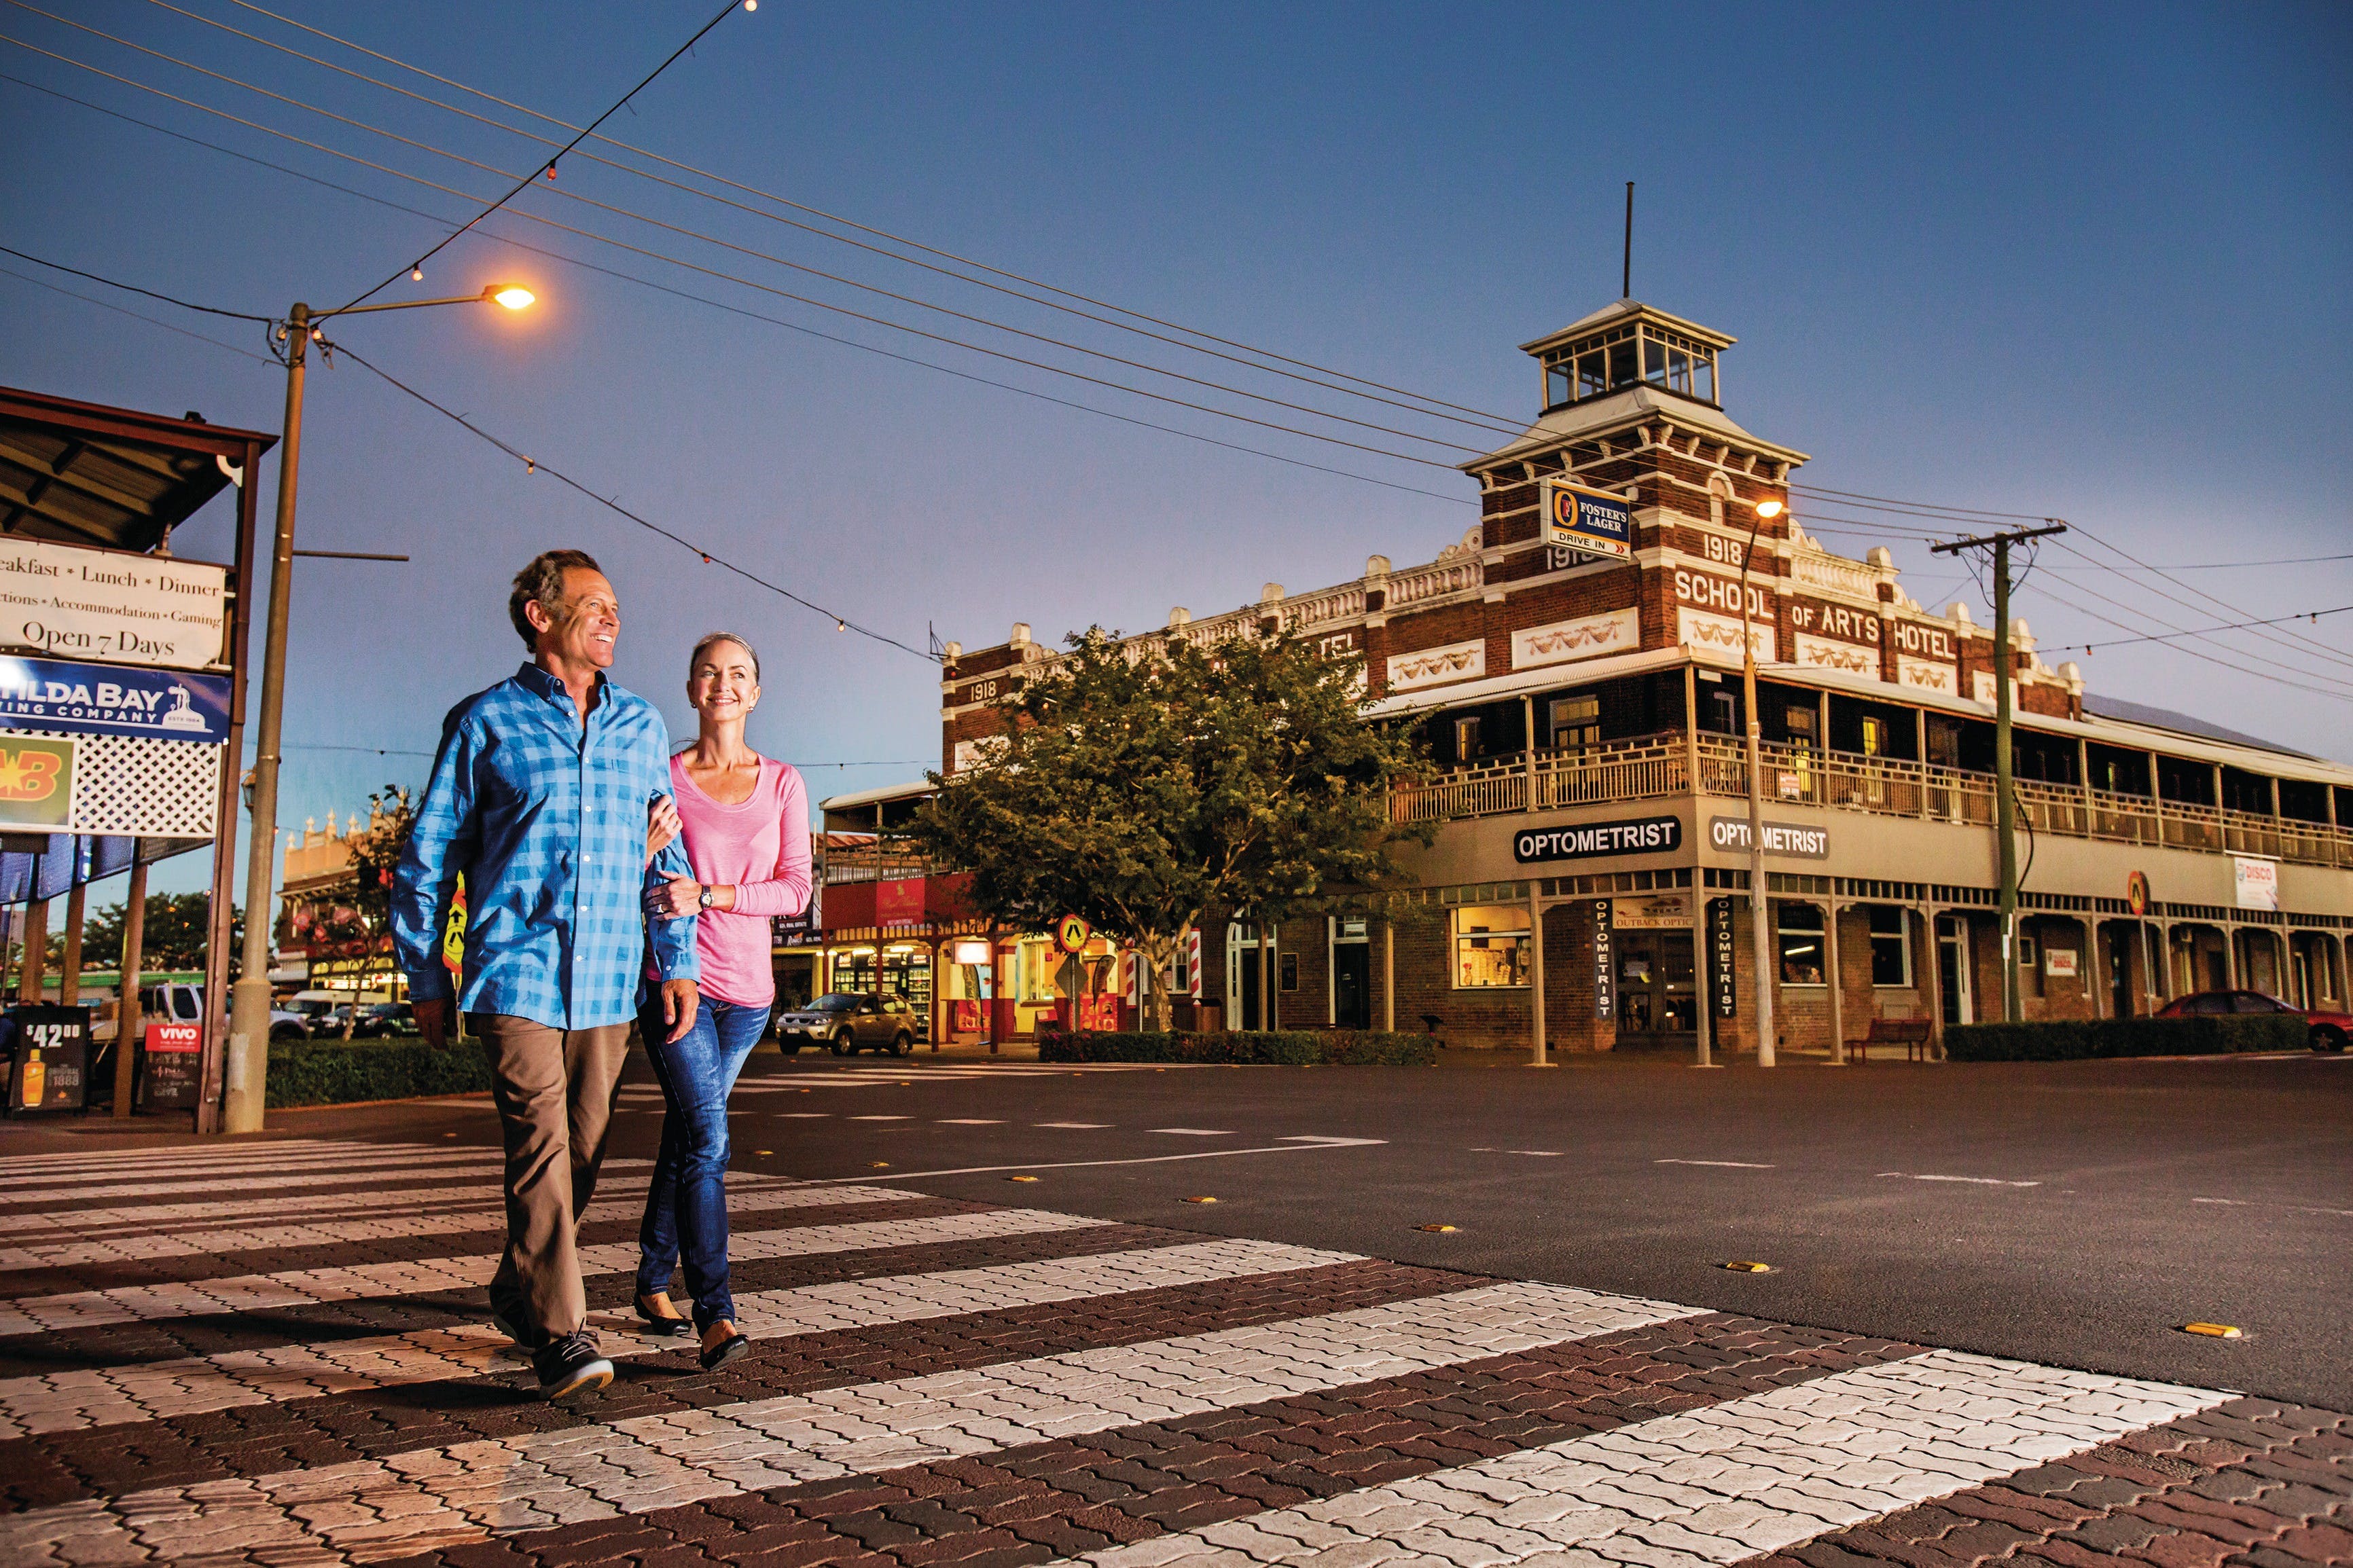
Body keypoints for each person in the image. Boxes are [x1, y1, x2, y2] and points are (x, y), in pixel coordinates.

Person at [392, 549, 699, 1402]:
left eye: (615, 607)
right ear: (540, 614)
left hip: (607, 978)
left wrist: (675, 959)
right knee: (541, 1147)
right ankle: (562, 1335)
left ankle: (514, 1292)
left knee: (584, 1153)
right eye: (594, 604)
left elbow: (664, 851)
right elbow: (428, 856)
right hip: (513, 969)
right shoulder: (484, 721)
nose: (613, 619)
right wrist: (425, 971)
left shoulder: (640, 725)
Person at [634, 631, 810, 1369]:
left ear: (756, 691)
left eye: (738, 672)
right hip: (676, 985)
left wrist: (711, 891)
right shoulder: (664, 777)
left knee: (686, 1133)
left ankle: (649, 1278)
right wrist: (640, 850)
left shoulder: (782, 783)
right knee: (708, 1138)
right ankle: (716, 1311)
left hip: (748, 997)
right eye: (709, 671)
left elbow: (796, 889)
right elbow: (641, 881)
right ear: (691, 687)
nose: (724, 683)